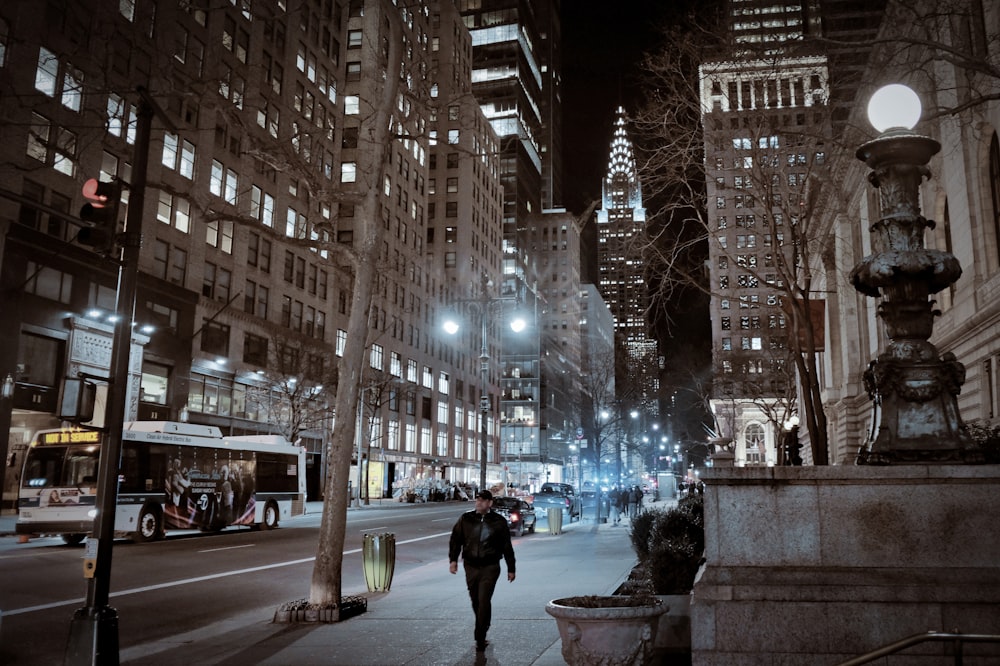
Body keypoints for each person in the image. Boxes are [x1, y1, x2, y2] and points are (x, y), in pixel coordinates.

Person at [448, 489, 516, 652]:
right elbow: (456, 540)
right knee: (475, 600)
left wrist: (511, 568)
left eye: (483, 500)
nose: (479, 503)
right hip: (471, 565)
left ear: (490, 503)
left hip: (490, 566)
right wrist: (453, 560)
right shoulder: (466, 519)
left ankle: (480, 636)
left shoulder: (498, 521)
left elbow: (506, 545)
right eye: (477, 500)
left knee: (484, 599)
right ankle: (484, 623)